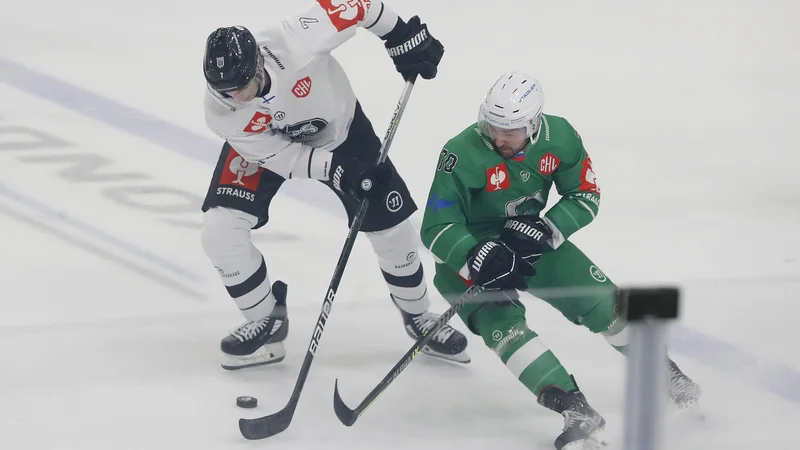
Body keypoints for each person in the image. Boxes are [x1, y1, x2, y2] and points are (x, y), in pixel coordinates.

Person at [419, 71, 702, 450]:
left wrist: (547, 228)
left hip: (531, 238)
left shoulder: (561, 138)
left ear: (534, 124)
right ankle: (575, 409)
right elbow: (436, 226)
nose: (499, 137)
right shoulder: (461, 152)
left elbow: (585, 193)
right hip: (472, 250)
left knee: (603, 301)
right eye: (493, 125)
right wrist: (474, 256)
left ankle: (666, 374)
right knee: (503, 327)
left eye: (511, 130)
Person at [199, 1, 470, 370]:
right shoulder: (221, 112)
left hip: (342, 133)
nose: (234, 98)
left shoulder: (295, 39)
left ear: (259, 63)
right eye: (224, 91)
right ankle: (266, 319)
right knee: (219, 230)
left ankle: (417, 315)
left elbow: (360, 4)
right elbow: (286, 158)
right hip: (268, 148)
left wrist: (398, 35)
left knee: (392, 229)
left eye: (240, 87)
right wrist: (339, 171)